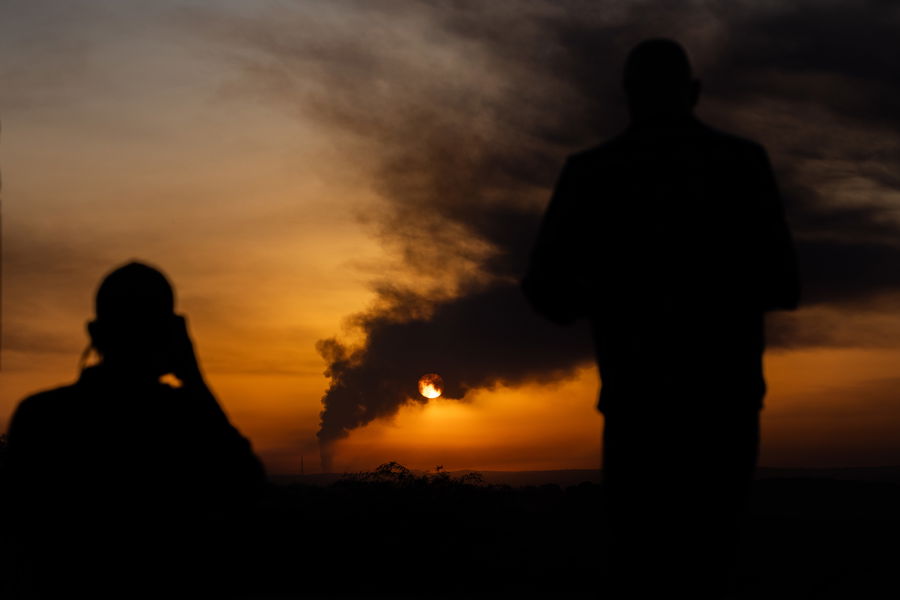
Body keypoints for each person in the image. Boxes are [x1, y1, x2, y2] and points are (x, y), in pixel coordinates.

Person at [523, 39, 799, 598]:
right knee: (712, 558)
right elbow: (783, 284)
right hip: (723, 401)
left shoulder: (592, 173)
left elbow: (544, 289)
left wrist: (611, 299)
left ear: (627, 94)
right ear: (693, 92)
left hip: (638, 403)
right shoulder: (741, 165)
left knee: (642, 562)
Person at [5, 261, 266, 598]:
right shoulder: (186, 419)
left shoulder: (41, 415)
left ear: (94, 333)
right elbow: (248, 486)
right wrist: (195, 377)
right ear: (172, 334)